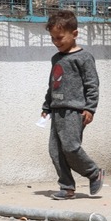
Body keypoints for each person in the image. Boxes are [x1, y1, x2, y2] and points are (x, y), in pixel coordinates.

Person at [41, 11, 103, 199]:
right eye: (52, 38)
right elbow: (53, 84)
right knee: (55, 151)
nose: (56, 42)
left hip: (75, 111)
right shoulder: (56, 58)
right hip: (57, 110)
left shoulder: (84, 57)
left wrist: (90, 108)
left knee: (70, 147)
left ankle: (94, 173)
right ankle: (67, 188)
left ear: (74, 34)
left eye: (59, 37)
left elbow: (92, 84)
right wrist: (46, 106)